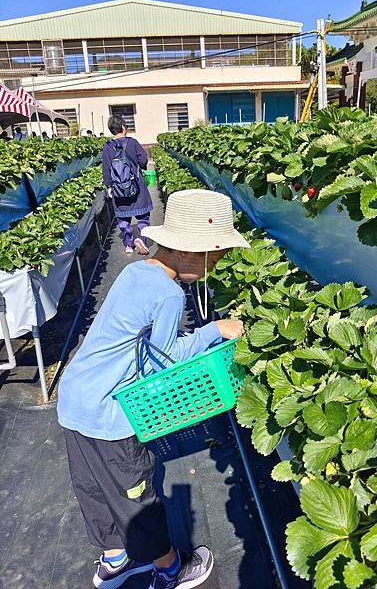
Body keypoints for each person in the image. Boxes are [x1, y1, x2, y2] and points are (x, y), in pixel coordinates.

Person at [57, 189, 249, 589]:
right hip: (110, 414)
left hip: (75, 400)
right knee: (136, 498)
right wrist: (216, 329)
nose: (215, 265)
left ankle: (114, 560)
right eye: (212, 257)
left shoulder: (135, 271)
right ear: (184, 252)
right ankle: (169, 567)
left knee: (92, 487)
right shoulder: (168, 294)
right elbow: (167, 359)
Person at [102, 115, 152, 255]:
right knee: (143, 215)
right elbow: (143, 160)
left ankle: (129, 244)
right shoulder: (132, 142)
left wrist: (109, 186)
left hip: (118, 187)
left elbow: (106, 169)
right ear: (123, 127)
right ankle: (141, 238)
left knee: (123, 218)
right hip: (136, 184)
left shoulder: (107, 147)